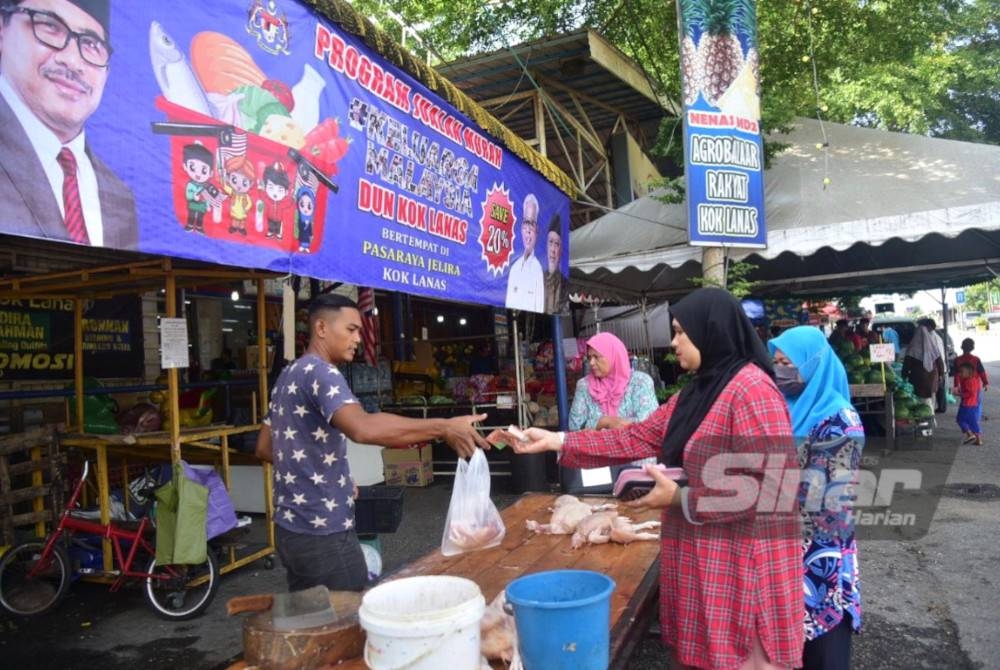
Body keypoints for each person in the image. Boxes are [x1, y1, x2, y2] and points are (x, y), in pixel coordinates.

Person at [500, 288, 803, 670]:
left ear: (711, 331)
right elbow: (637, 435)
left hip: (742, 567)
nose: (673, 342)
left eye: (680, 332)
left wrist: (680, 498)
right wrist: (556, 440)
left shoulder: (752, 392)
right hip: (702, 560)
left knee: (739, 658)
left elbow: (774, 491)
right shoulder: (699, 391)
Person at [256, 294, 490, 592]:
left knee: (310, 621)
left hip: (291, 531)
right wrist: (443, 426)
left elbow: (264, 446)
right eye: (351, 329)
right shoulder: (322, 373)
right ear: (322, 328)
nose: (358, 338)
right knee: (350, 622)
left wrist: (329, 476)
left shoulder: (288, 375)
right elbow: (362, 428)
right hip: (324, 531)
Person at [0, 0, 137, 248]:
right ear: (3, 29)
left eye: (91, 44)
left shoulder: (119, 197)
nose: (73, 62)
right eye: (50, 27)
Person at [768, 326, 863, 670]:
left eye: (788, 363)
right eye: (776, 362)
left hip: (822, 560)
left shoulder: (840, 419)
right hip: (785, 556)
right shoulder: (785, 408)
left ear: (814, 363)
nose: (781, 371)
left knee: (824, 656)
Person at [569, 332, 658, 433]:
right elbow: (574, 426)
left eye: (596, 357)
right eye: (589, 358)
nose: (591, 363)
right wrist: (605, 422)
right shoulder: (584, 385)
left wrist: (598, 425)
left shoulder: (640, 382)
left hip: (632, 447)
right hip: (595, 447)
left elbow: (648, 424)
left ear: (613, 355)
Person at [504, 193, 544, 312]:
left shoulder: (537, 269)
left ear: (536, 231)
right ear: (521, 229)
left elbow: (540, 309)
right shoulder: (514, 269)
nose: (528, 231)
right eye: (526, 223)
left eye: (531, 224)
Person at [902, 324, 944, 419]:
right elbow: (940, 363)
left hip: (918, 380)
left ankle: (925, 420)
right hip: (933, 378)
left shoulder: (912, 348)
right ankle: (930, 418)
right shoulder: (933, 347)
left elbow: (906, 366)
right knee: (930, 400)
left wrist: (904, 376)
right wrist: (941, 375)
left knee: (921, 402)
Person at [953, 337, 988, 422]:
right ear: (972, 348)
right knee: (976, 404)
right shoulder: (976, 359)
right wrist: (985, 383)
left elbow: (956, 374)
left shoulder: (957, 360)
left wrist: (956, 386)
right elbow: (982, 372)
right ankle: (975, 421)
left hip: (964, 386)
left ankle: (965, 420)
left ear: (962, 347)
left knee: (965, 403)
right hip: (976, 386)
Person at [543, 213, 568, 314]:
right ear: (546, 246)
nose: (553, 249)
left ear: (561, 250)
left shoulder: (565, 284)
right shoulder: (538, 279)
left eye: (557, 244)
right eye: (550, 242)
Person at [954, 362, 983, 445]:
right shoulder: (972, 380)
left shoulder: (969, 381)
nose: (960, 373)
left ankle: (970, 434)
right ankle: (978, 439)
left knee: (960, 420)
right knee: (973, 422)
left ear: (969, 372)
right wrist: (961, 390)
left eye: (962, 372)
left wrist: (959, 394)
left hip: (967, 405)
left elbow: (971, 393)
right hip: (972, 404)